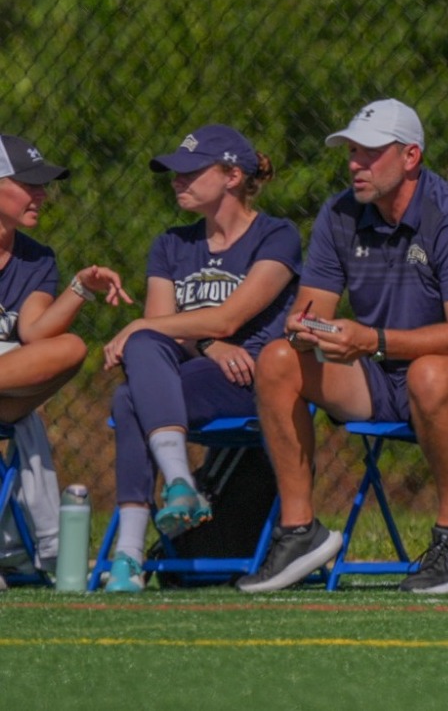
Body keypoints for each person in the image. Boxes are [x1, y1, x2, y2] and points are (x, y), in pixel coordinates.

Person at [237, 99, 448, 594]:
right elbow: (307, 315)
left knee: (430, 373)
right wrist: (309, 330)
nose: (356, 163)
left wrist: (370, 340)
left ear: (411, 157)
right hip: (384, 370)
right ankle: (300, 531)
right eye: (352, 151)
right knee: (277, 360)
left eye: (370, 153)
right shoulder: (339, 214)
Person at [97, 125, 301, 593]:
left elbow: (230, 317)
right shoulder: (171, 243)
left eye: (189, 171)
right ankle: (175, 490)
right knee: (141, 361)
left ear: (232, 175)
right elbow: (161, 329)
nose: (176, 181)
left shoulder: (277, 236)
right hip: (189, 377)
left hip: (253, 381)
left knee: (131, 392)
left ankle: (129, 554)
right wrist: (208, 344)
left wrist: (201, 334)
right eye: (174, 173)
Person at [0, 134, 131, 589]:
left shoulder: (36, 257)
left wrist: (78, 287)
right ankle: (36, 544)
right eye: (28, 184)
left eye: (43, 185)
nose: (41, 194)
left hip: (7, 379)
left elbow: (35, 331)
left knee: (71, 347)